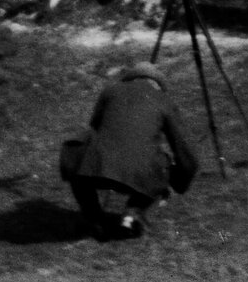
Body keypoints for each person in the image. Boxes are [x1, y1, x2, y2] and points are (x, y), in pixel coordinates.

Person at [60, 63, 199, 240]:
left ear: (132, 78)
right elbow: (185, 150)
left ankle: (93, 217)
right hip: (139, 172)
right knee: (163, 164)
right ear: (156, 84)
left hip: (97, 168)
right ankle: (132, 213)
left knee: (78, 152)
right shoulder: (164, 100)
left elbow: (95, 128)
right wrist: (179, 182)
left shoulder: (110, 91)